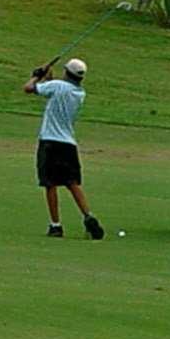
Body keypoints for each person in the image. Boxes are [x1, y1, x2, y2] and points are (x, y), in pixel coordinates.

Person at [28, 56, 105, 239]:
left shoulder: (56, 86)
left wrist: (37, 75)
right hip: (68, 144)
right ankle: (88, 215)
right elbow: (54, 89)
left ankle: (56, 225)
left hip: (49, 141)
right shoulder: (79, 93)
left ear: (67, 72)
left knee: (50, 184)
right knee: (72, 183)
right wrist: (49, 78)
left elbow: (28, 88)